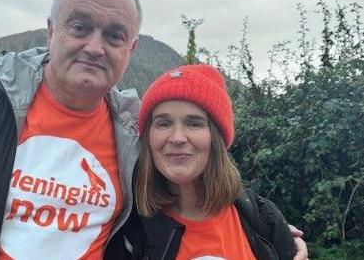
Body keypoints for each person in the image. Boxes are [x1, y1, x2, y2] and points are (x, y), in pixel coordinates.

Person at [0, 0, 307, 260]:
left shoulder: (134, 133)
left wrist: (268, 233)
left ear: (130, 49)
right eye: (80, 27)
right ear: (52, 30)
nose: (96, 46)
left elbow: (191, 191)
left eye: (114, 35)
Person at [111, 64, 300, 259]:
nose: (177, 138)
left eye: (194, 123)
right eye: (163, 123)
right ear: (148, 137)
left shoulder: (261, 218)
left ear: (216, 138)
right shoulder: (130, 233)